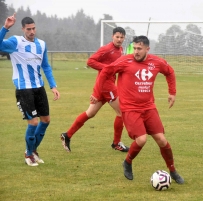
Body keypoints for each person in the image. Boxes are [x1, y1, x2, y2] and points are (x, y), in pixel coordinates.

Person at [90, 35, 184, 184]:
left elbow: (170, 72)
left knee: (162, 140)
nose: (136, 51)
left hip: (149, 107)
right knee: (141, 139)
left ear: (147, 49)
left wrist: (172, 92)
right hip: (130, 108)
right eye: (134, 48)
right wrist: (96, 93)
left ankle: (172, 170)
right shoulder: (125, 61)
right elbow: (106, 71)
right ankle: (127, 162)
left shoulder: (156, 62)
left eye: (139, 49)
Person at [0, 14, 60, 166]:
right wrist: (5, 27)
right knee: (33, 123)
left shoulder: (42, 44)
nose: (32, 31)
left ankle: (33, 151)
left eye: (33, 28)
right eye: (28, 29)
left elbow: (45, 66)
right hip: (23, 89)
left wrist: (53, 86)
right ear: (23, 29)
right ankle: (28, 153)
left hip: (39, 88)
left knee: (45, 120)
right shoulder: (16, 42)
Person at [60, 27, 129, 152]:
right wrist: (107, 68)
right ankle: (116, 143)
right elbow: (90, 61)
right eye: (117, 37)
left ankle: (67, 135)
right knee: (122, 113)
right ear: (112, 37)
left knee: (90, 113)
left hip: (103, 85)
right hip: (107, 86)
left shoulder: (121, 50)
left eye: (121, 37)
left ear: (124, 38)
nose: (119, 39)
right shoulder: (106, 49)